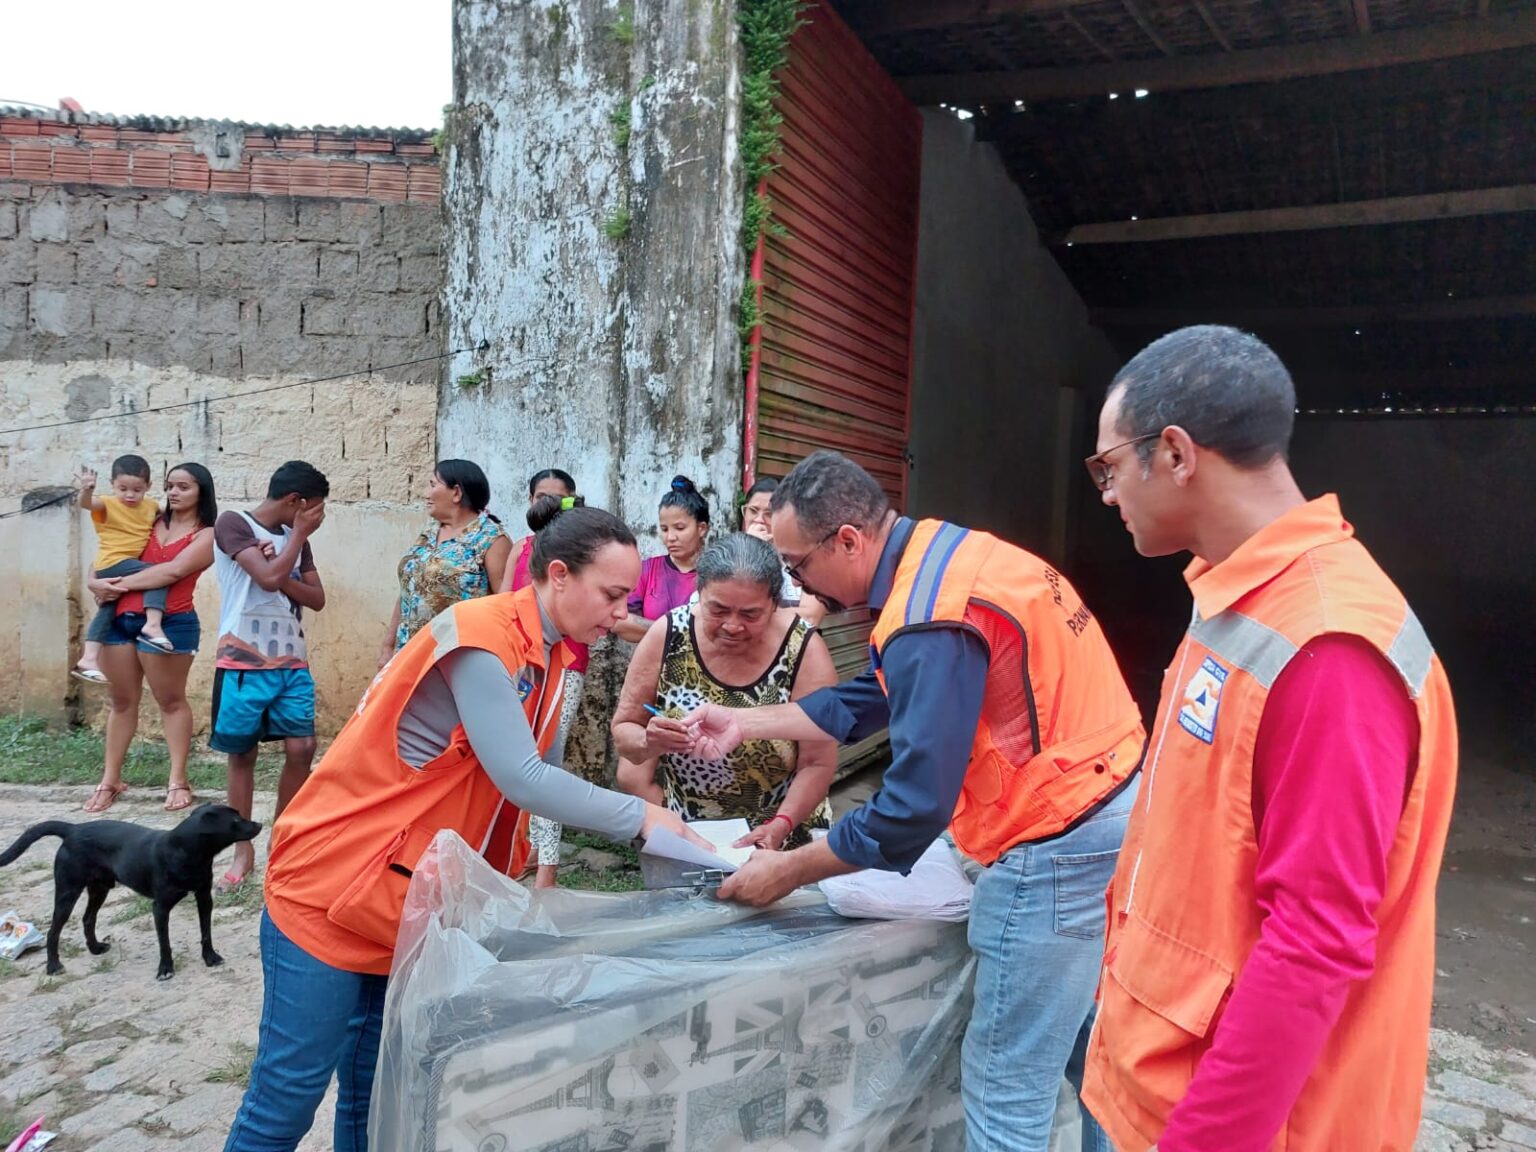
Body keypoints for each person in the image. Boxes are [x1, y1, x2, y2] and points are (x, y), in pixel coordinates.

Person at [684, 450, 1147, 1152]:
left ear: (848, 539)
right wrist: (746, 720)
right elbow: (872, 697)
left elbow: (911, 808)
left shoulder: (930, 613)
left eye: (798, 566)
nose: (798, 587)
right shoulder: (948, 556)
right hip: (1109, 804)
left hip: (1053, 840)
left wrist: (789, 868)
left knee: (1004, 1088)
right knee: (1092, 1053)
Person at [222, 505, 711, 1152]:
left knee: (377, 1099)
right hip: (332, 889)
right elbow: (524, 779)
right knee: (286, 1098)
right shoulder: (482, 636)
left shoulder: (557, 656)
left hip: (404, 903)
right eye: (612, 595)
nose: (621, 614)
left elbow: (540, 780)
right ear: (558, 575)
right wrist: (650, 819)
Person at [1077, 327, 1457, 1152]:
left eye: (1108, 467)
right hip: (1155, 1076)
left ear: (1175, 453)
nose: (1106, 494)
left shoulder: (1328, 649)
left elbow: (1314, 944)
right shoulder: (1242, 601)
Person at [613, 533, 839, 848]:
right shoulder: (667, 636)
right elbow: (625, 731)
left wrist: (780, 826)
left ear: (775, 603)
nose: (732, 625)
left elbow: (818, 761)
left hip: (786, 836)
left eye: (750, 614)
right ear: (699, 594)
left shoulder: (803, 650)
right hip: (692, 837)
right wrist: (648, 742)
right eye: (717, 610)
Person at [210, 460, 329, 891]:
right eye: (315, 508)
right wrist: (292, 545)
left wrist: (286, 558)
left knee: (303, 746)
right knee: (242, 754)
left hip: (292, 661)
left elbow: (314, 598)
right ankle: (243, 850)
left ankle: (284, 840)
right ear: (296, 502)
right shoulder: (233, 524)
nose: (318, 517)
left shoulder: (295, 542)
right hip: (243, 661)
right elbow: (267, 576)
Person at [81, 464, 219, 813]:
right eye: (170, 485)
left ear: (201, 491)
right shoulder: (148, 518)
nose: (174, 493)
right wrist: (94, 581)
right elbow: (111, 550)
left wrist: (113, 585)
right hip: (119, 619)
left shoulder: (207, 534)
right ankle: (109, 780)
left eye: (184, 487)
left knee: (170, 701)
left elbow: (172, 572)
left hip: (172, 622)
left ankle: (177, 780)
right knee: (121, 702)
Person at [501, 485, 591, 890]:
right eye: (539, 494)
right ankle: (519, 852)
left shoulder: (582, 554)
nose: (546, 501)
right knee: (516, 760)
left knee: (547, 764)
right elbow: (504, 599)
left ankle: (548, 871)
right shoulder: (522, 548)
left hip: (566, 665)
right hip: (519, 661)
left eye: (555, 495)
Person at [379, 459, 510, 667]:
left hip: (457, 660)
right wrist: (388, 646)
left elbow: (504, 606)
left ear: (456, 493)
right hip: (408, 656)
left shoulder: (491, 539)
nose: (426, 493)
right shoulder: (430, 531)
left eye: (432, 485)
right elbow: (408, 589)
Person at [73, 454, 172, 682]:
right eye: (123, 488)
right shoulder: (107, 503)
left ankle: (88, 659)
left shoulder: (150, 506)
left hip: (124, 566)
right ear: (112, 485)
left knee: (108, 609)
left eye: (137, 489)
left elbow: (167, 517)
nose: (129, 495)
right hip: (112, 562)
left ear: (148, 486)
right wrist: (87, 490)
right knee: (157, 574)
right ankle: (153, 625)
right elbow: (86, 503)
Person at [612, 475, 709, 643]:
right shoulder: (647, 570)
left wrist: (652, 629)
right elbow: (619, 621)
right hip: (652, 665)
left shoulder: (717, 574)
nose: (670, 537)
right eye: (664, 529)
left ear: (701, 528)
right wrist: (675, 631)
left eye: (679, 528)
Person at [741, 476, 825, 626]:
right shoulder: (735, 553)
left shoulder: (807, 558)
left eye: (769, 513)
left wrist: (754, 614)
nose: (759, 520)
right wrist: (751, 551)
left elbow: (811, 617)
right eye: (752, 511)